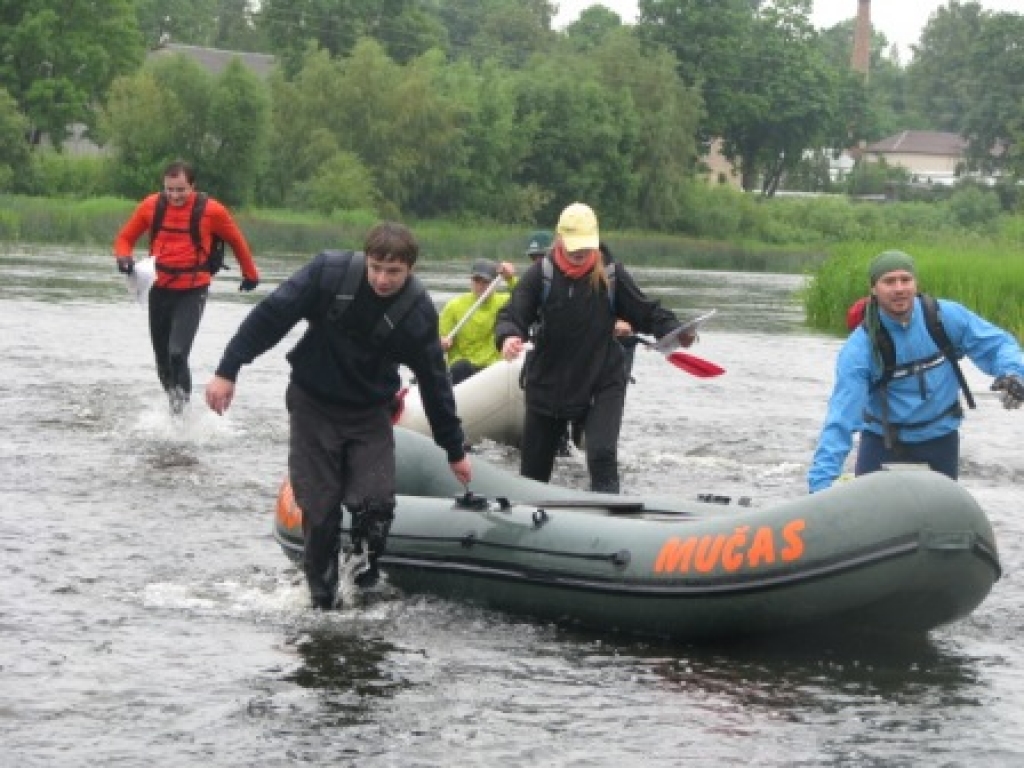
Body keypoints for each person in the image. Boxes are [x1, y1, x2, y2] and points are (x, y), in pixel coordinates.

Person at [204, 221, 472, 610]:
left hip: (369, 414)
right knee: (321, 508)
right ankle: (323, 601)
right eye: (376, 267)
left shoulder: (417, 313)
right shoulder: (328, 274)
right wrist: (228, 369)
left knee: (376, 505)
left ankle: (362, 585)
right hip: (312, 403)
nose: (382, 279)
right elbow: (272, 316)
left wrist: (454, 448)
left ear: (410, 269)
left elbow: (435, 383)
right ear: (366, 259)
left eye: (393, 272)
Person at [496, 202, 689, 493]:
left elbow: (646, 312)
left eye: (585, 247)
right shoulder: (541, 274)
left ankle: (610, 517)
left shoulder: (611, 275)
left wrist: (676, 331)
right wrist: (509, 336)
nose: (580, 254)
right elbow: (513, 313)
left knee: (601, 455)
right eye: (574, 247)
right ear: (559, 239)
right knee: (533, 473)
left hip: (601, 379)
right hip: (549, 381)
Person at [808, 250, 1024, 493]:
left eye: (905, 279)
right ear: (873, 289)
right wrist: (820, 487)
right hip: (882, 444)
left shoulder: (946, 317)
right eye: (889, 281)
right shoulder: (860, 350)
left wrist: (1014, 374)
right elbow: (841, 419)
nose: (899, 288)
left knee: (940, 525)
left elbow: (998, 344)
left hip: (941, 441)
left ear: (915, 283)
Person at [113, 160, 260, 414]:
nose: (174, 196)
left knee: (178, 353)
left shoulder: (212, 211)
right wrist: (123, 257)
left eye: (181, 190)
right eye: (169, 189)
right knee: (162, 362)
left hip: (193, 290)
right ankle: (175, 411)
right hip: (159, 289)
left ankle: (183, 414)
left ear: (193, 186)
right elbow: (125, 238)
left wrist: (250, 273)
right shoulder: (151, 206)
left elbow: (236, 240)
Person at [439, 258, 517, 385]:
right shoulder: (453, 306)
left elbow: (526, 297)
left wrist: (510, 279)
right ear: (471, 281)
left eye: (486, 282)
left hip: (494, 368)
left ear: (495, 283)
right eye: (476, 280)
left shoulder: (504, 302)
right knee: (460, 367)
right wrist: (441, 343)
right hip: (465, 368)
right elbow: (437, 342)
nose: (480, 286)